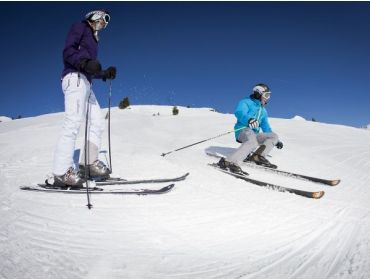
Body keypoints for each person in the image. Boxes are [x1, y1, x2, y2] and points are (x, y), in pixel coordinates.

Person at [52, 10, 117, 186]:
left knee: (97, 121)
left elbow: (88, 67)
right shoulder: (80, 27)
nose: (104, 25)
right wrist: (83, 62)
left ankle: (88, 164)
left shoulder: (94, 40)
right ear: (94, 16)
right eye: (103, 20)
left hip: (86, 83)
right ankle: (61, 172)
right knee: (73, 121)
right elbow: (68, 52)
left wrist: (103, 73)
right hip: (74, 78)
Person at [218, 83, 283, 173]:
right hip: (242, 130)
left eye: (269, 96)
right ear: (258, 93)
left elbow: (265, 126)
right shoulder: (245, 102)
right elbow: (239, 112)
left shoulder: (263, 110)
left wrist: (276, 141)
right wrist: (249, 120)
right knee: (252, 141)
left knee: (273, 136)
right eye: (266, 95)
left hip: (255, 134)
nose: (267, 98)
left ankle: (257, 156)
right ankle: (229, 162)